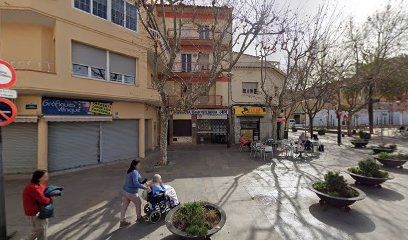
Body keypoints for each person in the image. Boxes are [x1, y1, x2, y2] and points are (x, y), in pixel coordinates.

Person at [23, 170, 52, 240]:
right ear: (39, 178)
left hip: (41, 209)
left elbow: (46, 192)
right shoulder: (34, 188)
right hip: (36, 211)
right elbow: (43, 200)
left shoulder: (41, 184)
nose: (47, 177)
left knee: (41, 228)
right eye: (45, 176)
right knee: (40, 229)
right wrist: (51, 199)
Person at [120, 160, 147, 227]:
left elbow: (134, 182)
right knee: (138, 203)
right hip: (131, 193)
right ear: (134, 165)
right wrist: (144, 188)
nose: (139, 166)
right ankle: (139, 218)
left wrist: (141, 182)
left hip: (125, 191)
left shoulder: (129, 171)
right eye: (138, 165)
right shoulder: (135, 172)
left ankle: (122, 221)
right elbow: (135, 183)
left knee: (124, 206)